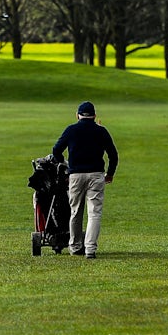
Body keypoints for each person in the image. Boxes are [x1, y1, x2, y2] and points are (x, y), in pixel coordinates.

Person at [51, 101, 118, 258]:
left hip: (75, 176)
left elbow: (56, 150)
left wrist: (63, 165)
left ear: (77, 115)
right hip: (96, 175)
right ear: (95, 116)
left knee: (75, 212)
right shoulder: (101, 131)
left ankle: (75, 246)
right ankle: (90, 248)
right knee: (94, 212)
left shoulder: (71, 130)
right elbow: (113, 154)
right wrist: (110, 173)